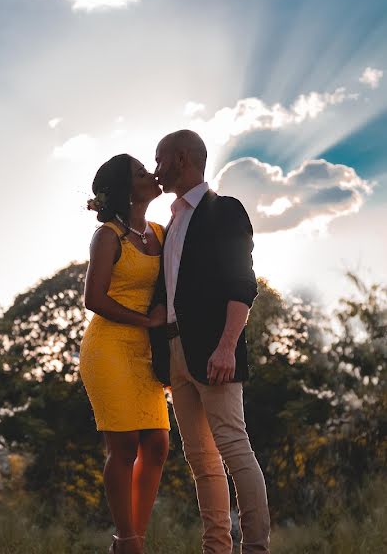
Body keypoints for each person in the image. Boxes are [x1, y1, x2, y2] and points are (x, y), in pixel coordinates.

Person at [149, 129, 270, 553]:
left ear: (182, 158)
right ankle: (216, 549)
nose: (155, 168)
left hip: (216, 351)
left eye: (160, 159)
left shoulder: (225, 210)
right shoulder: (172, 221)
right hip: (177, 355)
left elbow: (242, 283)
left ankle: (256, 548)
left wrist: (226, 346)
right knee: (201, 461)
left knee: (235, 449)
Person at [80, 153, 169, 554]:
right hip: (109, 348)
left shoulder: (161, 233)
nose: (151, 174)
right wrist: (146, 321)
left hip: (146, 353)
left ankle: (132, 538)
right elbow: (93, 297)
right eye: (140, 172)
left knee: (158, 445)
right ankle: (128, 541)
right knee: (126, 444)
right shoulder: (108, 237)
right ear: (125, 188)